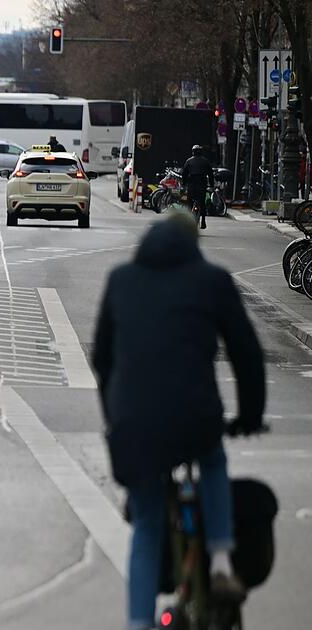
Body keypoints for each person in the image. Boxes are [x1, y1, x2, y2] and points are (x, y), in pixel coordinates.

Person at [92, 213, 266, 630]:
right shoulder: (212, 280)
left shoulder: (121, 280)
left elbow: (102, 359)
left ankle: (138, 622)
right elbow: (246, 353)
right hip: (195, 418)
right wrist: (249, 416)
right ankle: (222, 561)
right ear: (194, 244)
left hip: (133, 426)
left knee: (148, 523)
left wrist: (115, 419)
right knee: (212, 461)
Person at [181, 144, 214, 229]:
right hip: (202, 185)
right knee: (202, 203)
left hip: (191, 185)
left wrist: (184, 184)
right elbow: (211, 175)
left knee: (189, 203)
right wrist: (212, 185)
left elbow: (184, 174)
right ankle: (203, 221)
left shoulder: (188, 161)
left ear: (193, 152)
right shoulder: (205, 161)